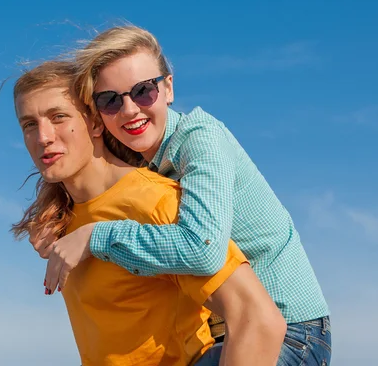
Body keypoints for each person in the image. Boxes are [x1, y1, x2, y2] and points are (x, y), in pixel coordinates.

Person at [33, 26, 331, 366]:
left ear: (168, 88)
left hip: (291, 332)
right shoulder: (140, 160)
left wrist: (95, 236)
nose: (130, 110)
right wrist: (57, 223)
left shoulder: (201, 140)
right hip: (229, 334)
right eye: (111, 100)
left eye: (144, 91)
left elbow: (201, 248)